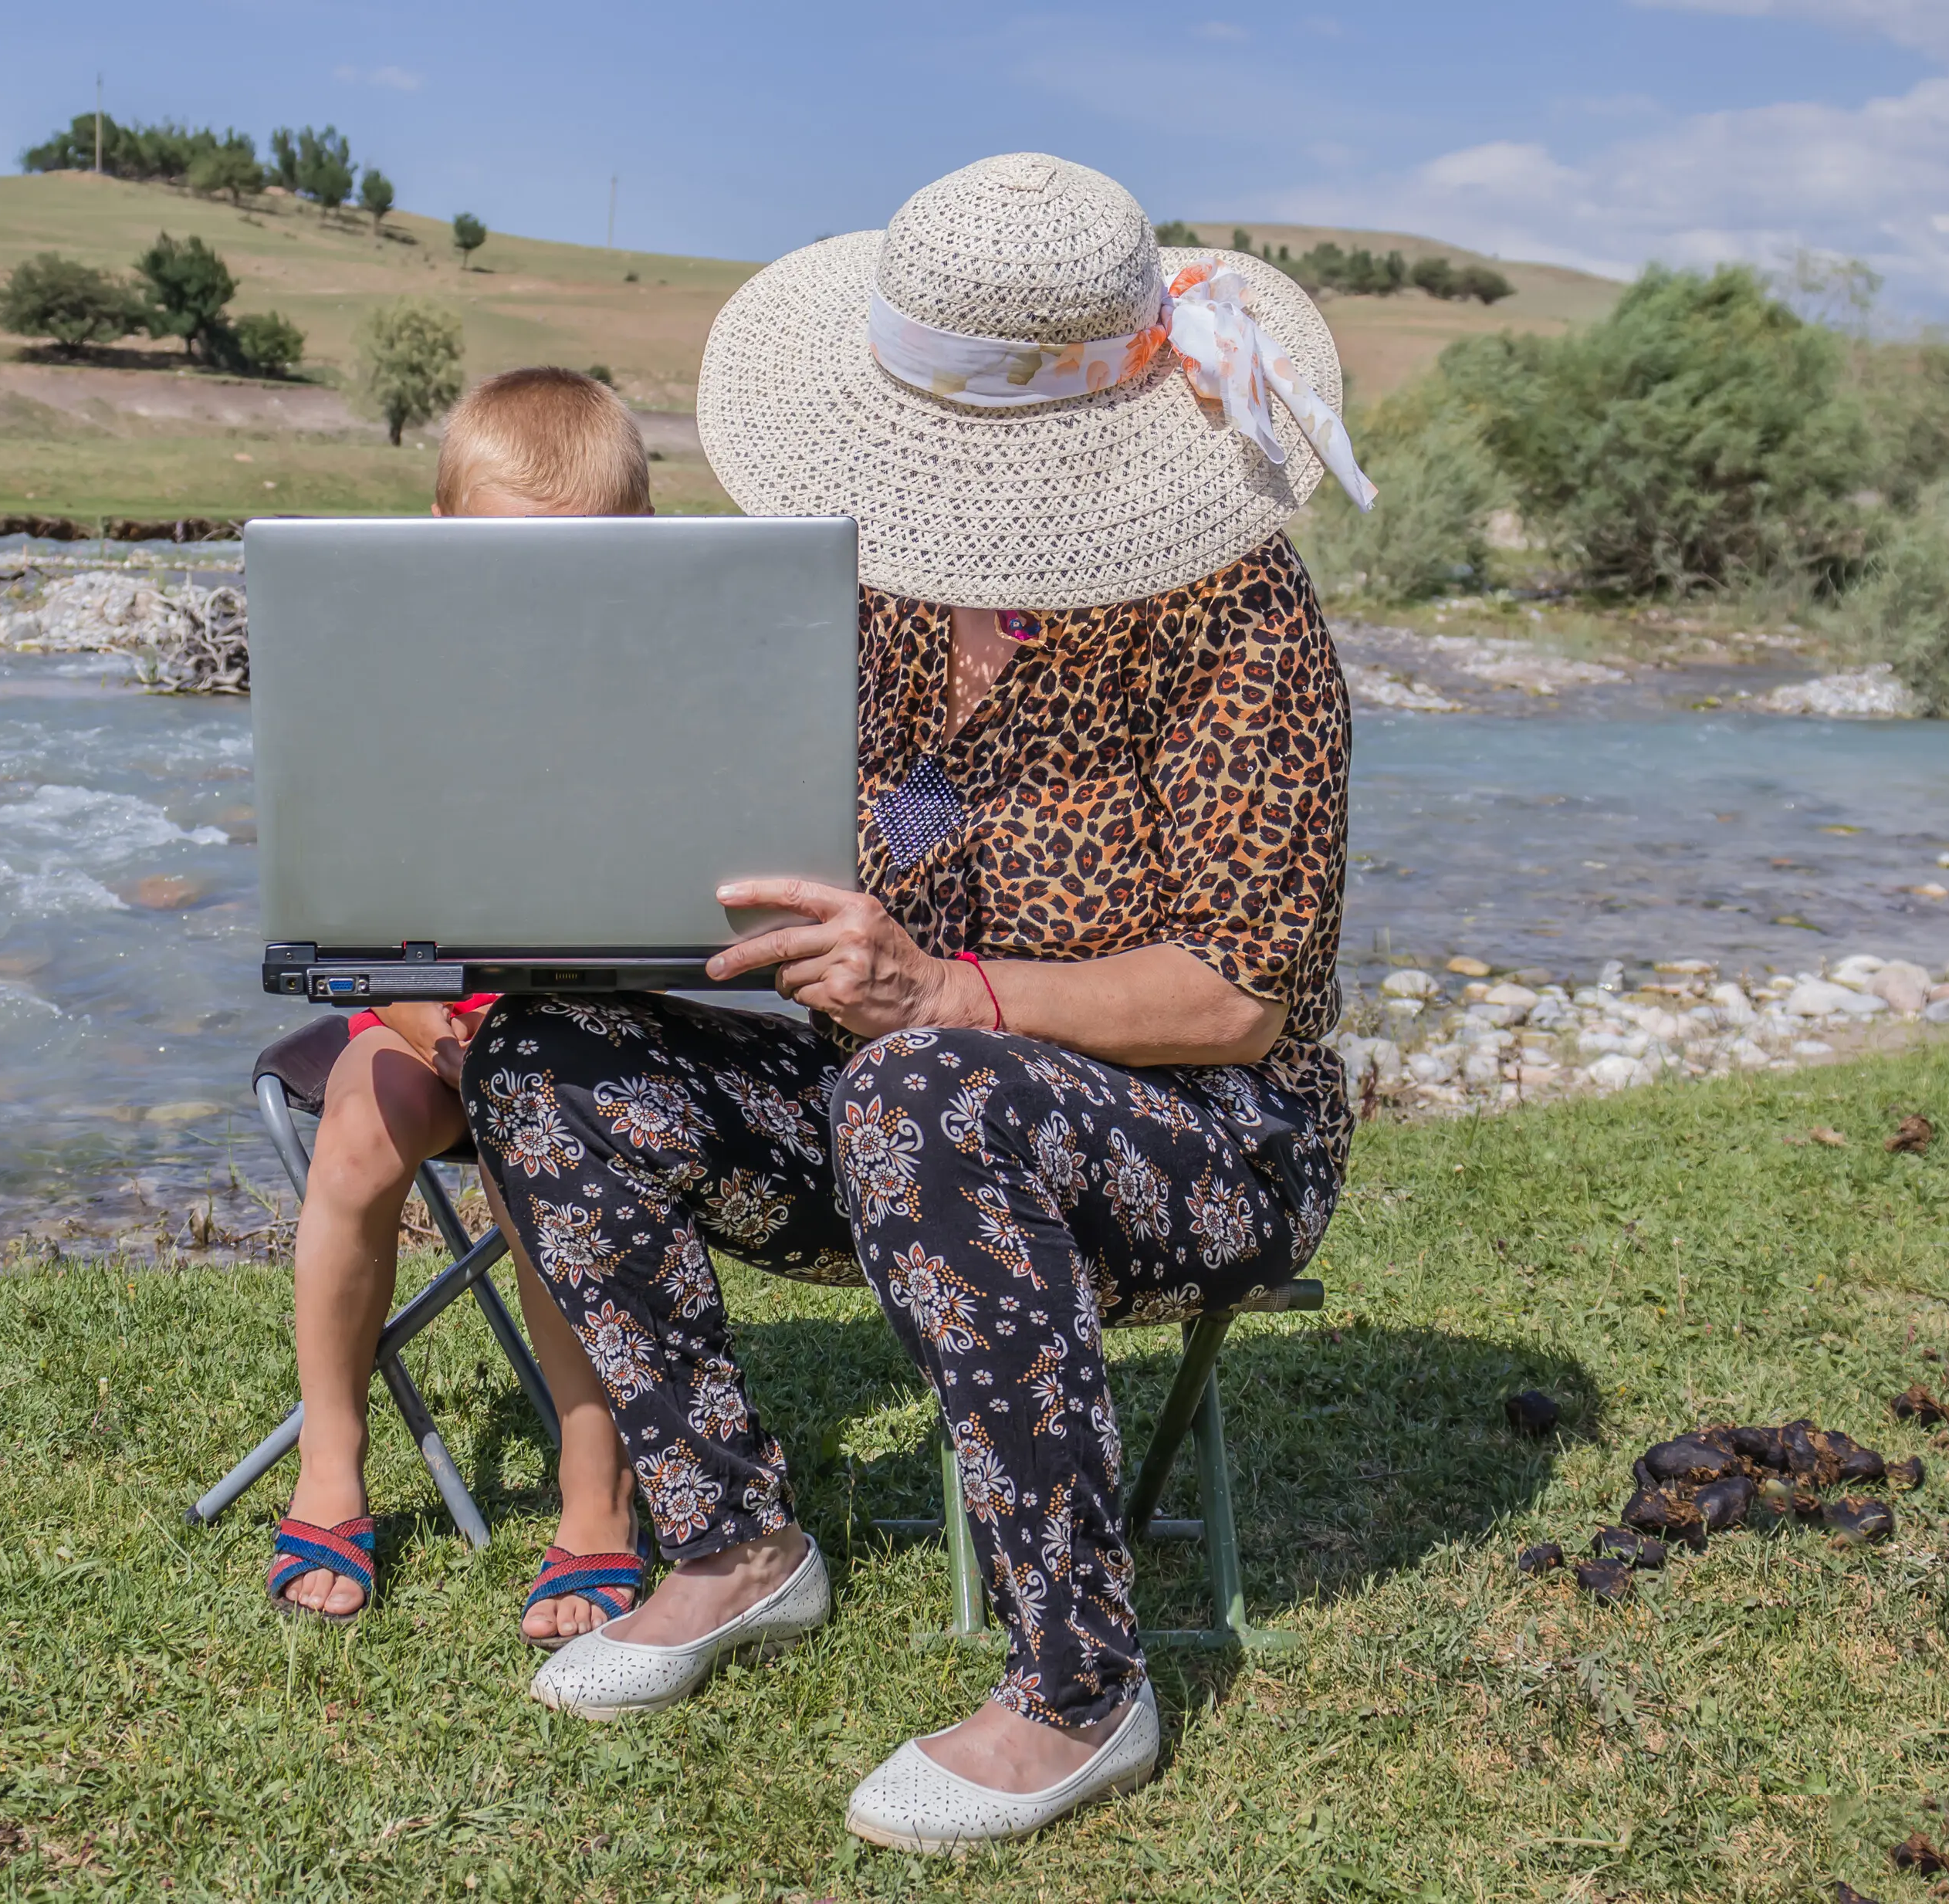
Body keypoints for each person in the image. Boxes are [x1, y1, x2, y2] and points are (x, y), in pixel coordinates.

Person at [461, 154, 1373, 1848]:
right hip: (890, 1094)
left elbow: (1239, 997)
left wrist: (943, 989)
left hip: (1199, 1142)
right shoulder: (864, 594)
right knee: (541, 1059)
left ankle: (1077, 1687)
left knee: (923, 1083)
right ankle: (733, 1544)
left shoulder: (1235, 619)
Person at [268, 368, 659, 1647]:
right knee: (358, 1131)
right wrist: (448, 1028)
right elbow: (348, 917)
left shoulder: (653, 691)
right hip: (420, 1003)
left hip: (591, 1018)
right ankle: (333, 1465)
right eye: (502, 563)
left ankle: (593, 1498)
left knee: (540, 1137)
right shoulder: (387, 679)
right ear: (440, 536)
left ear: (639, 554)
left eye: (576, 569)